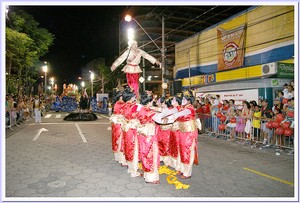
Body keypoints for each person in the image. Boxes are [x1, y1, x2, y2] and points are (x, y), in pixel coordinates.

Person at [136, 91, 160, 184]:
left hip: (142, 134)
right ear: (149, 101)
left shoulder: (141, 109)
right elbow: (159, 119)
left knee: (144, 154)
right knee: (151, 154)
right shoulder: (149, 111)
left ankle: (147, 176)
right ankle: (151, 177)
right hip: (149, 135)